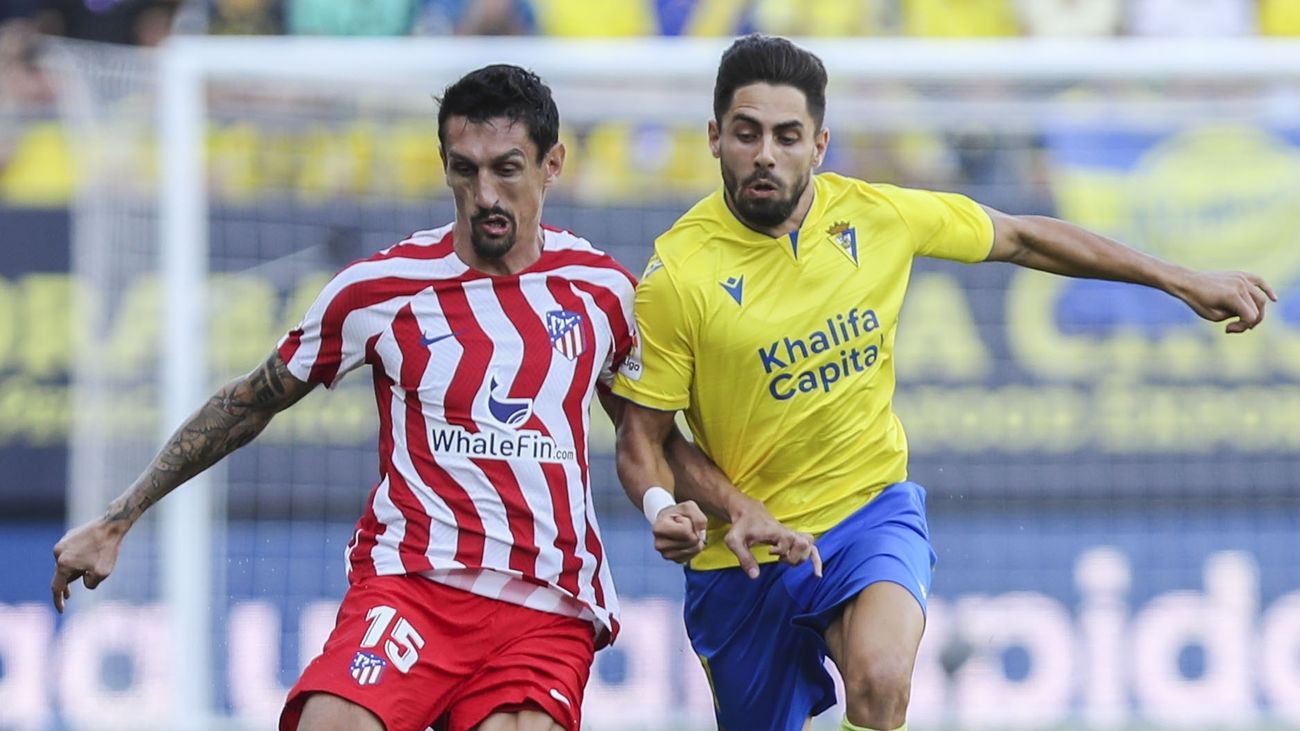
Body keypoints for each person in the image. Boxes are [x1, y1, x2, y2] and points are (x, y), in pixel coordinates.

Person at [611, 34, 1277, 731]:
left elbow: (1022, 236)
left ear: (820, 145)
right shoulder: (677, 277)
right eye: (747, 134)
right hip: (741, 555)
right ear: (715, 138)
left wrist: (1179, 278)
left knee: (882, 679)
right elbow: (642, 437)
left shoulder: (877, 216)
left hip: (867, 511)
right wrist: (683, 505)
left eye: (788, 135)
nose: (766, 154)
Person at [49, 64, 712, 731]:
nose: (484, 194)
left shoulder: (604, 293)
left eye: (507, 168)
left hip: (545, 599)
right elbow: (250, 401)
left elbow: (645, 433)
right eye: (465, 169)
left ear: (552, 165)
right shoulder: (379, 290)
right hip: (413, 586)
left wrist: (689, 506)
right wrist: (117, 519)